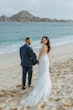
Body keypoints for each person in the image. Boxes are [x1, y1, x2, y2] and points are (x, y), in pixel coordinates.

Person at [21, 36, 52, 106]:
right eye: (43, 40)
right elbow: (48, 54)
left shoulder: (44, 46)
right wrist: (48, 60)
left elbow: (40, 54)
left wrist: (37, 60)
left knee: (42, 73)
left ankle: (29, 85)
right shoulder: (48, 46)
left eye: (45, 40)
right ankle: (30, 84)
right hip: (46, 60)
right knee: (45, 72)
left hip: (43, 60)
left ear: (47, 41)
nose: (44, 41)